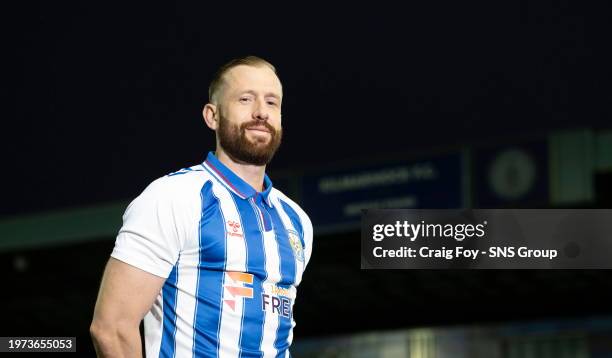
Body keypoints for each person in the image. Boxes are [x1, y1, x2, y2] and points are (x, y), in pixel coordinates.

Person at [90, 56, 313, 357]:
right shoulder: (173, 197)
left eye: (272, 103)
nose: (261, 112)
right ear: (212, 116)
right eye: (245, 99)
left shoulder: (296, 221)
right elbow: (112, 328)